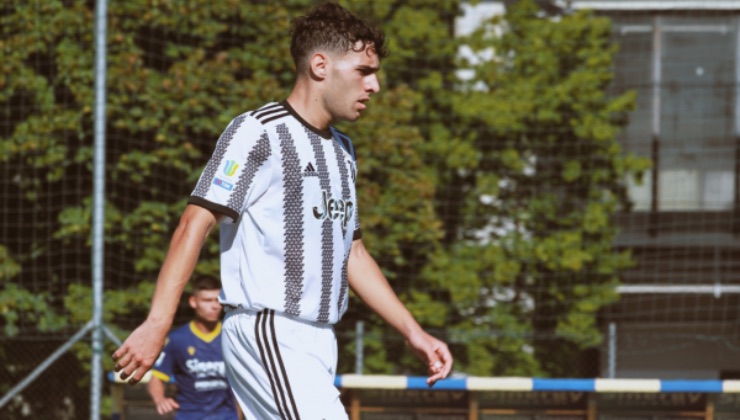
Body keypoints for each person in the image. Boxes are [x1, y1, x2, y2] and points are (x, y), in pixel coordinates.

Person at [113, 2, 453, 418]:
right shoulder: (258, 132)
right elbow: (194, 222)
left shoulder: (344, 151)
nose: (375, 85)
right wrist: (158, 323)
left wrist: (412, 332)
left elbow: (353, 254)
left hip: (320, 340)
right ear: (320, 65)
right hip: (271, 329)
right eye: (365, 71)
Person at [147, 275, 240, 419]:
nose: (214, 306)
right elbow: (156, 379)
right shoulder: (177, 339)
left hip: (226, 416)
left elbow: (240, 385)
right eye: (207, 300)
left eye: (218, 300)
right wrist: (160, 399)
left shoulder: (232, 337)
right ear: (193, 302)